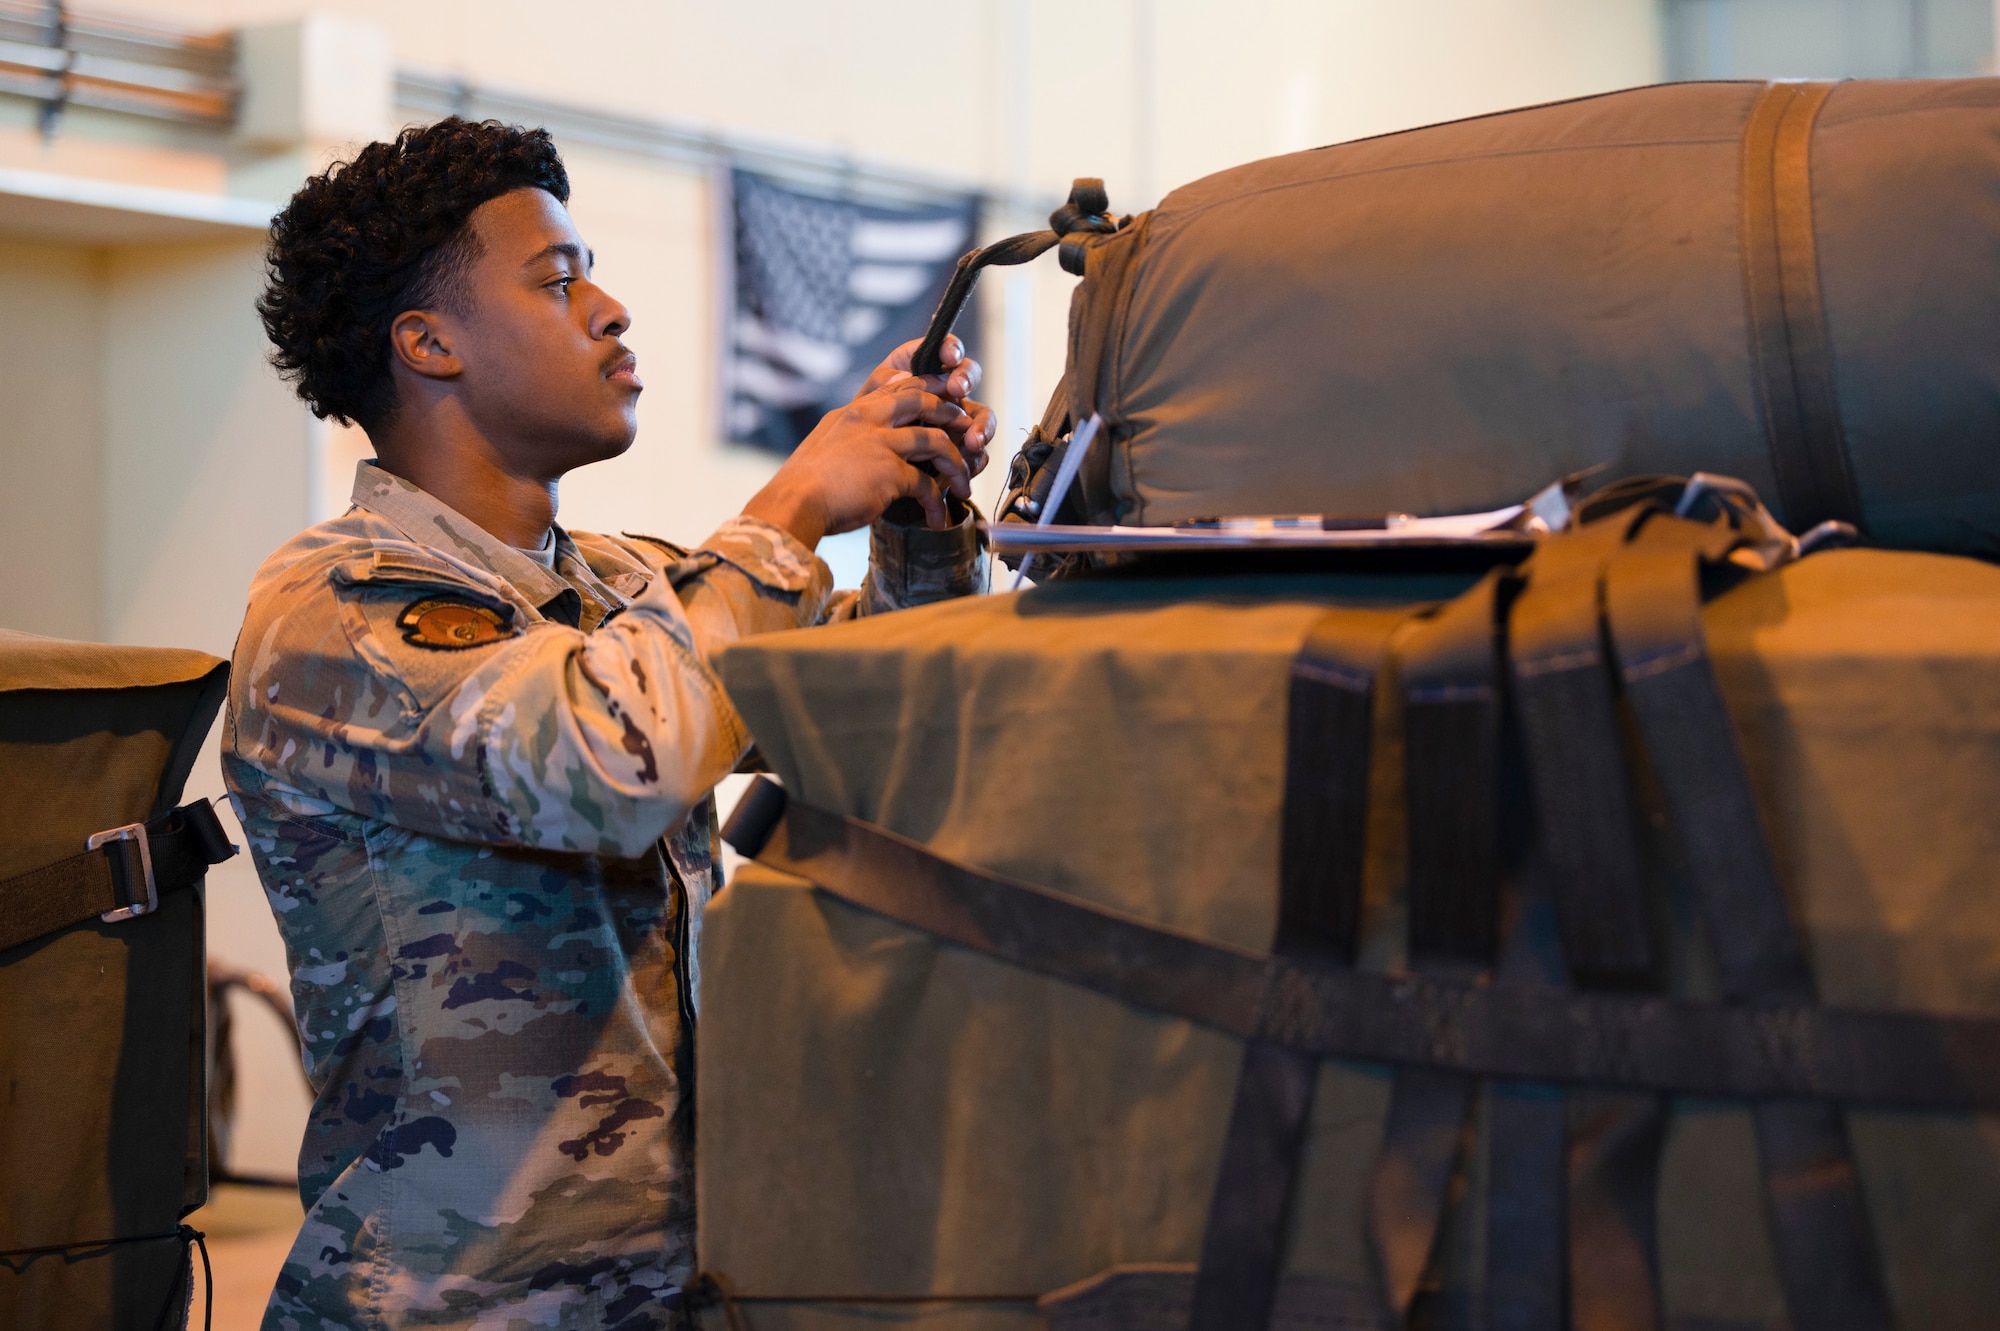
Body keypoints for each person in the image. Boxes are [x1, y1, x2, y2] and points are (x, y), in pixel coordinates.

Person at [223, 117, 993, 1330]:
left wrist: (920, 521)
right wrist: (791, 505)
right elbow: (610, 761)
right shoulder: (336, 607)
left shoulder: (634, 591)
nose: (612, 307)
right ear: (427, 343)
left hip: (679, 1290)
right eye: (558, 278)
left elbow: (905, 733)